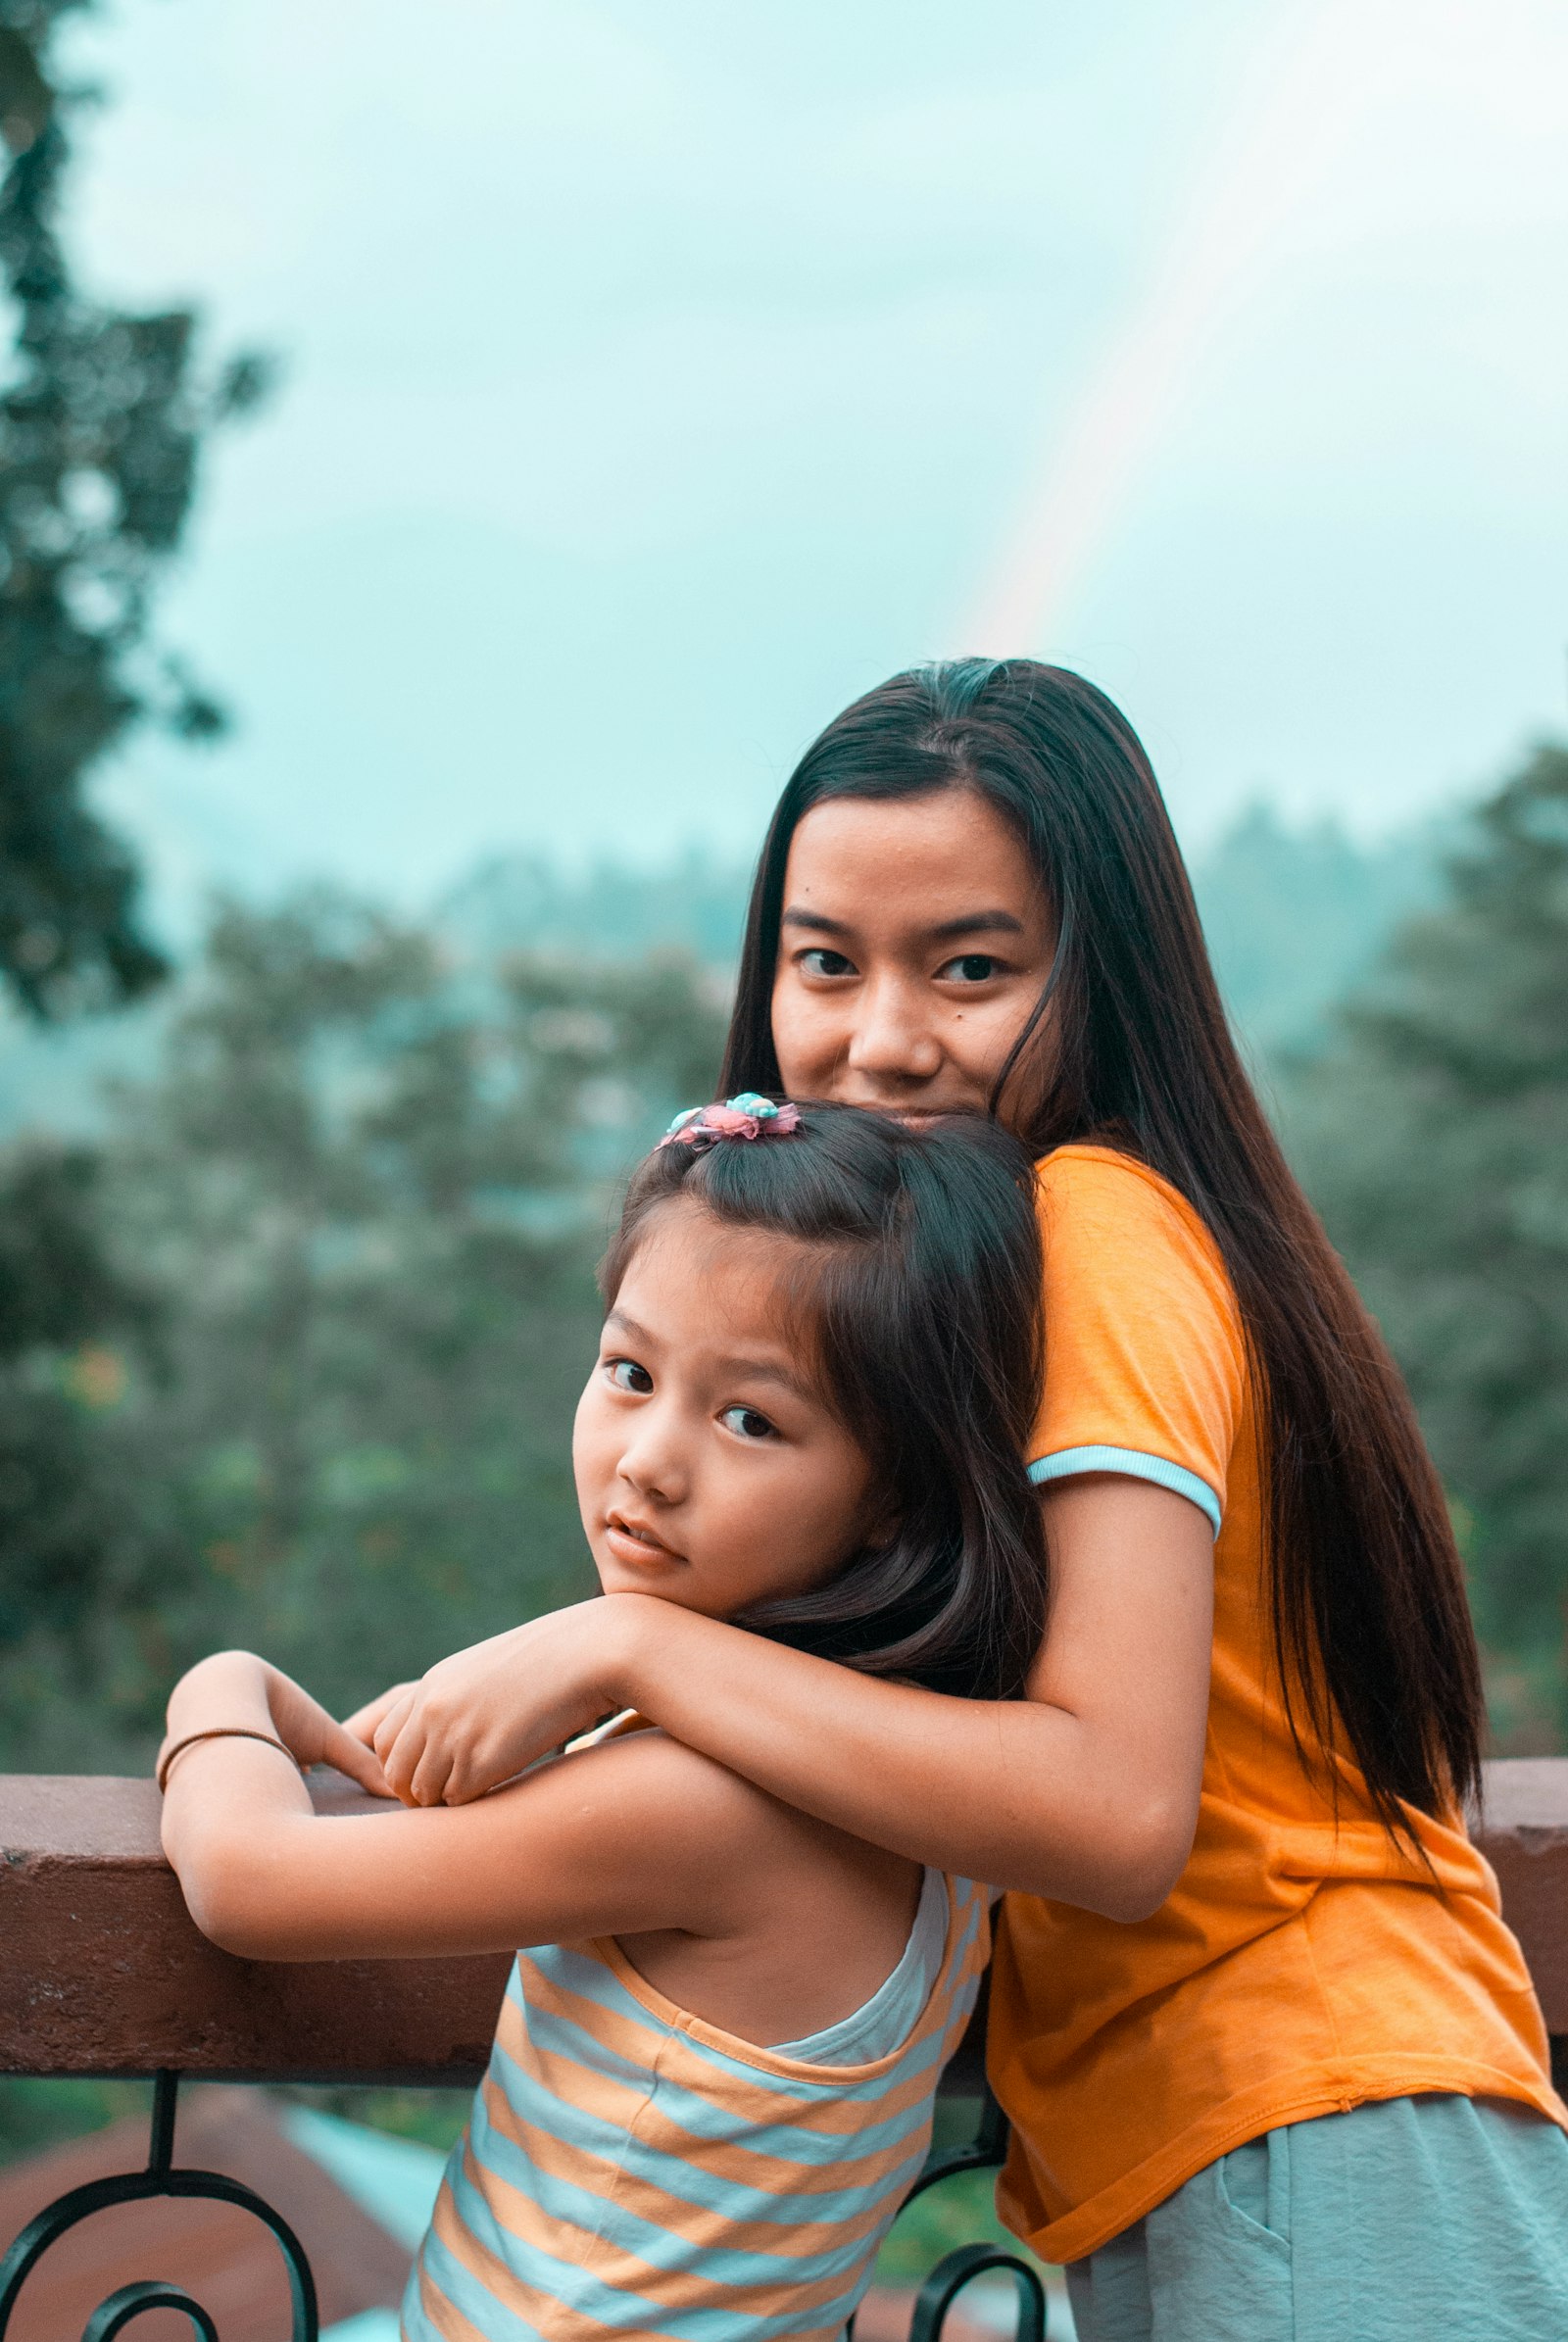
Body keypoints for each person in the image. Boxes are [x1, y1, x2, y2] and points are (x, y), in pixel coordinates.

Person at [361, 660, 1568, 2342]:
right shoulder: (980, 1277)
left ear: (1109, 977)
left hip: (1318, 2123)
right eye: (825, 964)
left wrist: (626, 1656)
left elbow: (1112, 1810)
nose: (882, 1042)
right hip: (1247, 2134)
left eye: (974, 969)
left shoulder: (1097, 1231)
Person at [159, 1099, 1049, 2342]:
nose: (648, 1459)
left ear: (897, 1496)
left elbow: (249, 1882)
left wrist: (221, 1688)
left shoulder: (696, 1804)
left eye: (750, 1418)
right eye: (629, 1373)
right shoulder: (940, 1796)